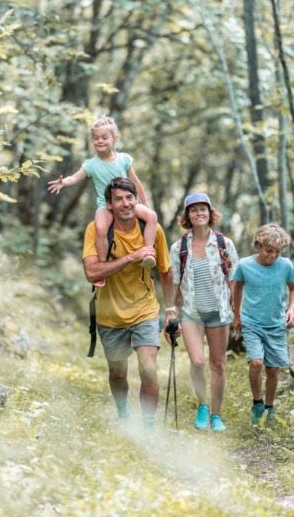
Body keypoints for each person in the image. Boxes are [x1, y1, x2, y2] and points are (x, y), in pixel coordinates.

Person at [82, 177, 174, 432]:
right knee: (118, 374)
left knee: (148, 368)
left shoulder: (152, 230)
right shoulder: (96, 230)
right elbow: (92, 272)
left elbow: (166, 271)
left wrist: (170, 310)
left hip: (144, 310)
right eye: (119, 199)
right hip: (109, 315)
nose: (125, 203)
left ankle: (147, 430)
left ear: (137, 200)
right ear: (109, 204)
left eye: (129, 198)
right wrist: (132, 257)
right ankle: (123, 413)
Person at [47, 114, 157, 286]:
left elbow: (136, 182)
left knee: (152, 217)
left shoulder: (124, 159)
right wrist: (64, 182)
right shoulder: (91, 164)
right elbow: (75, 178)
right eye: (96, 138)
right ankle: (102, 268)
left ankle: (148, 253)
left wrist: (145, 203)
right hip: (105, 206)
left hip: (126, 203)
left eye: (104, 137)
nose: (100, 141)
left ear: (114, 139)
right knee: (99, 228)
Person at [166, 193, 238, 431]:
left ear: (210, 213)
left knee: (217, 364)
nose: (199, 213)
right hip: (191, 313)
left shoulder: (224, 244)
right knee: (197, 361)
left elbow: (234, 279)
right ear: (187, 216)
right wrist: (171, 317)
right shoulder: (179, 248)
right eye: (193, 210)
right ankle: (203, 405)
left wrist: (236, 311)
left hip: (219, 313)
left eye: (203, 209)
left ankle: (216, 415)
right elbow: (174, 285)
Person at [232, 223, 294, 425]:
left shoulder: (286, 265)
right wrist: (237, 315)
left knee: (273, 370)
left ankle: (270, 407)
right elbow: (238, 288)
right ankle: (257, 402)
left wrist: (292, 309)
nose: (272, 256)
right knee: (257, 362)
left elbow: (293, 288)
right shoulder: (244, 265)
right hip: (251, 322)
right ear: (258, 245)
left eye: (277, 252)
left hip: (276, 324)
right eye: (269, 251)